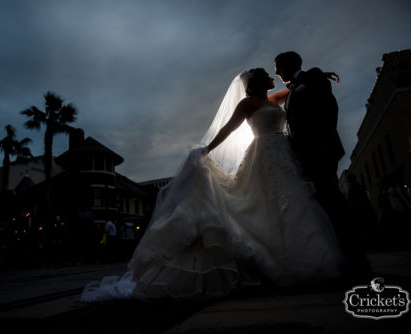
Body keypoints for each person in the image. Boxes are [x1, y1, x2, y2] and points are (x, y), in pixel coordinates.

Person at [81, 68, 345, 302]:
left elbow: (296, 89)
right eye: (266, 74)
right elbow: (229, 128)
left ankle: (304, 259)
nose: (271, 76)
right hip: (264, 156)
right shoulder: (247, 103)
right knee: (268, 203)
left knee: (292, 205)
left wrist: (320, 76)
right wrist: (207, 150)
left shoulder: (272, 100)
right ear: (255, 81)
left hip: (284, 155)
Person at [274, 51, 372, 278]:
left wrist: (325, 144)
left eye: (279, 66)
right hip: (305, 158)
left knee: (334, 203)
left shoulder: (313, 77)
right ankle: (345, 259)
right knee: (325, 206)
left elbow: (329, 109)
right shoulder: (291, 90)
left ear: (291, 64)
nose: (277, 72)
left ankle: (358, 263)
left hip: (321, 152)